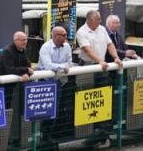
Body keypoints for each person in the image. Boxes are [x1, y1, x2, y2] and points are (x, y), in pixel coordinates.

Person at [76, 10, 122, 149]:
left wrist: (115, 57)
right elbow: (87, 50)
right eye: (98, 19)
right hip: (88, 68)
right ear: (89, 20)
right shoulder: (81, 32)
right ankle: (89, 134)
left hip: (101, 69)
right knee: (87, 100)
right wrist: (100, 60)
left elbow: (110, 45)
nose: (100, 21)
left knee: (102, 99)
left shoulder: (101, 29)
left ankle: (101, 133)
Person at [0, 31, 35, 147]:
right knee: (0, 113)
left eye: (26, 40)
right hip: (0, 86)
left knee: (8, 112)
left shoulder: (24, 51)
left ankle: (6, 140)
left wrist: (26, 71)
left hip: (12, 87)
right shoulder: (7, 51)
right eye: (22, 40)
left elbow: (28, 65)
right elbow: (9, 69)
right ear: (15, 41)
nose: (25, 42)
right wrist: (25, 71)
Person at [38, 26, 75, 151]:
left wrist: (60, 67)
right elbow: (48, 65)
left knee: (56, 111)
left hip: (60, 82)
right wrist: (62, 67)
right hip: (45, 83)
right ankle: (43, 137)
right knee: (45, 111)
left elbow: (69, 63)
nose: (66, 37)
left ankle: (48, 136)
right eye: (63, 35)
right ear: (55, 36)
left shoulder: (67, 47)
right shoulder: (46, 47)